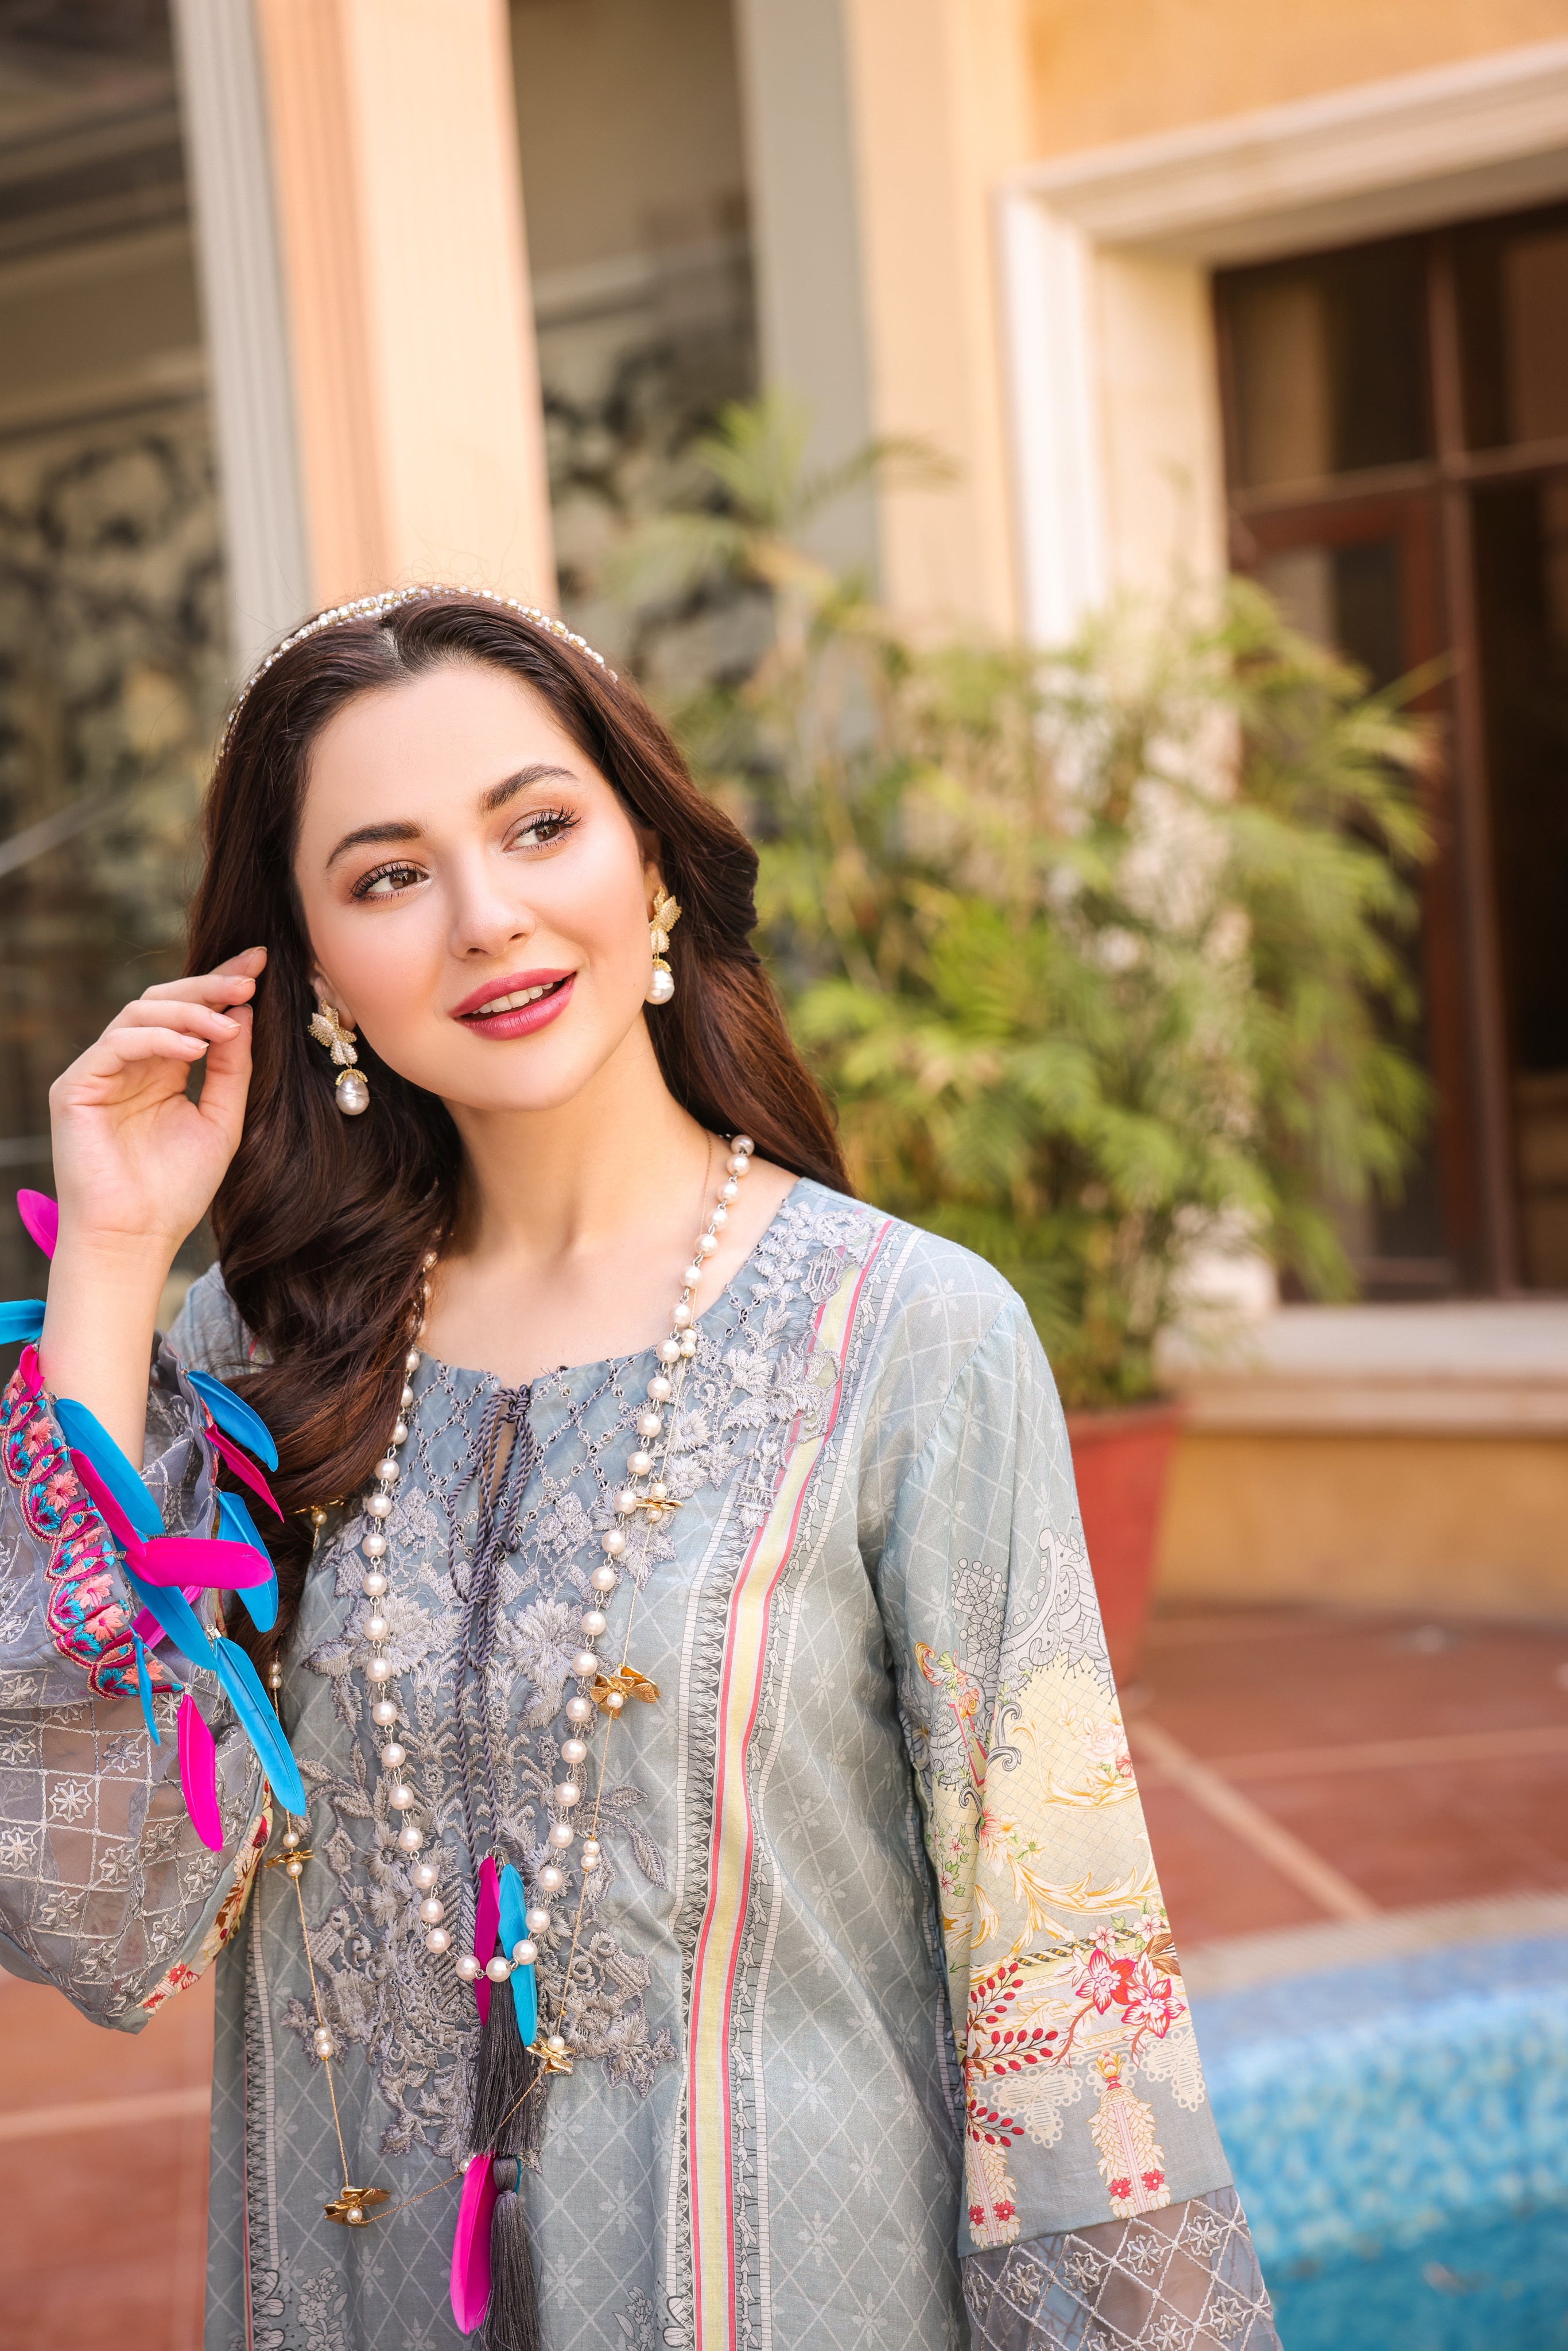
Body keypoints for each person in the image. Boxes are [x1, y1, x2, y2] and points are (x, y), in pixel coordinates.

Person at [0, 588, 1276, 2351]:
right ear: (305, 970)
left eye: (538, 826)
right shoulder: (246, 1364)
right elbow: (86, 1909)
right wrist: (116, 1269)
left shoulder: (905, 1337)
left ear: (652, 862)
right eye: (386, 877)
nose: (487, 917)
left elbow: (1059, 1978)